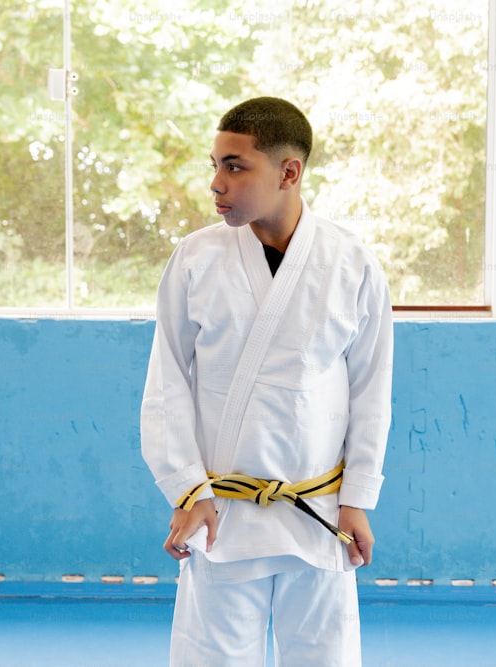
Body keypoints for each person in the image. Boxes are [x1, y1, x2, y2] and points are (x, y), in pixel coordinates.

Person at [140, 96, 393, 666]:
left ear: (288, 172)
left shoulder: (351, 263)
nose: (216, 183)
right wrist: (186, 490)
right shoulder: (195, 259)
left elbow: (371, 390)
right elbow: (167, 385)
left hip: (319, 511)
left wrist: (358, 499)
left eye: (235, 166)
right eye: (215, 165)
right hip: (222, 511)